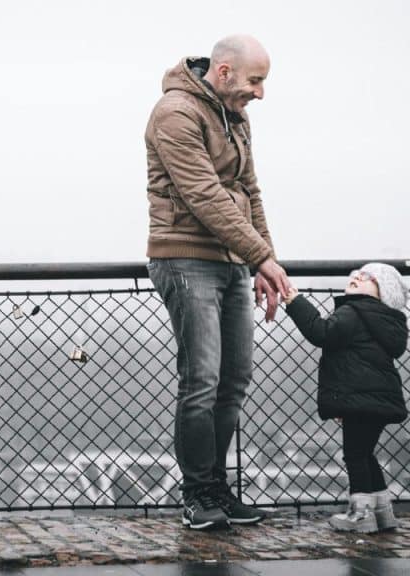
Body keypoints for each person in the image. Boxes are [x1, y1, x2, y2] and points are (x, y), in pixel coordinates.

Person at [145, 34, 292, 530]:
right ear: (225, 72)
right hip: (186, 258)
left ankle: (216, 489)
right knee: (202, 381)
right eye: (256, 80)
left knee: (234, 380)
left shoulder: (236, 115)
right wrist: (261, 258)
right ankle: (197, 495)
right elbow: (204, 195)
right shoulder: (175, 113)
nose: (261, 93)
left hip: (231, 260)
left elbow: (249, 190)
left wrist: (263, 258)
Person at [283, 263, 409, 533]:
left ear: (381, 292)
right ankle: (382, 512)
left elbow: (321, 332)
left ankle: (360, 515)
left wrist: (295, 302)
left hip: (359, 399)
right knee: (366, 453)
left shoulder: (353, 312)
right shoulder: (385, 322)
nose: (358, 276)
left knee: (355, 455)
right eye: (357, 273)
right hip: (378, 399)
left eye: (368, 277)